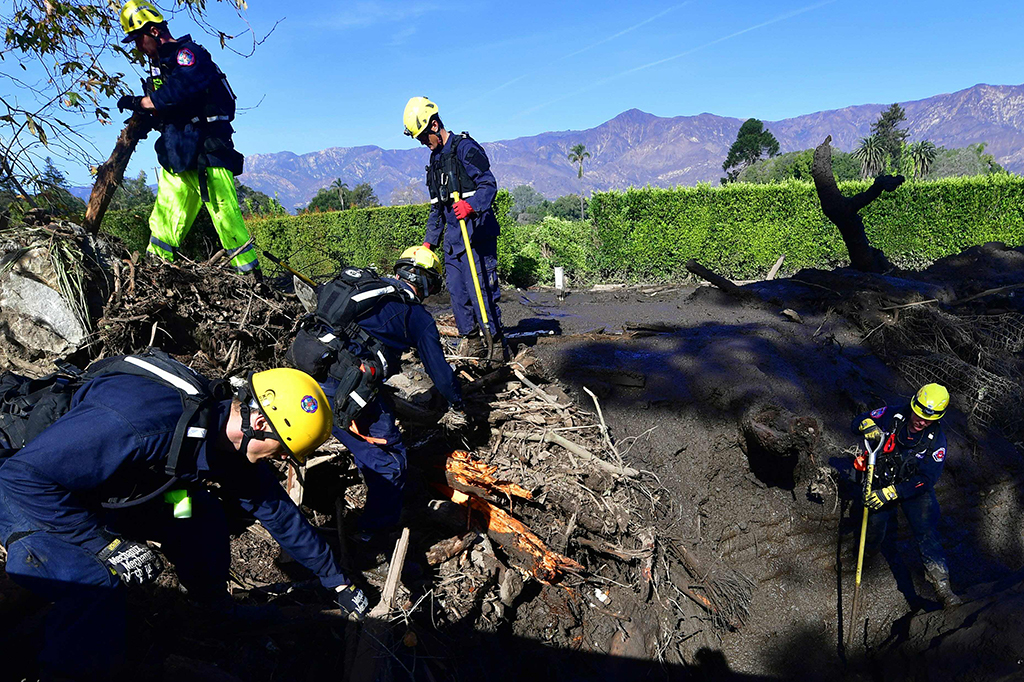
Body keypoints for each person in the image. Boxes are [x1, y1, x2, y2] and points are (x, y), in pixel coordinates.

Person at [0, 358, 368, 680]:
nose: (277, 460)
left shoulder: (217, 433)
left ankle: (213, 608)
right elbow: (22, 478)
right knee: (95, 578)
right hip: (29, 493)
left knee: (195, 511)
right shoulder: (140, 425)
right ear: (259, 422)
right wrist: (106, 545)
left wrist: (336, 581)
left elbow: (276, 511)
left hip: (99, 489)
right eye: (281, 450)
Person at [316, 246, 466, 541]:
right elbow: (440, 373)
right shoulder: (416, 315)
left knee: (372, 435)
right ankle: (374, 537)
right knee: (389, 459)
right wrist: (457, 402)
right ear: (425, 282)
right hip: (344, 391)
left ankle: (391, 488)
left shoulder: (370, 289)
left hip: (313, 374)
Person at [115, 0, 260, 276]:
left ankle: (251, 277)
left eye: (138, 38)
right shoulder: (160, 69)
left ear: (154, 32)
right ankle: (154, 274)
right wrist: (143, 114)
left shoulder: (189, 55)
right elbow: (166, 108)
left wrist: (143, 102)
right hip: (177, 153)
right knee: (163, 221)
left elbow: (178, 93)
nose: (137, 47)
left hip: (209, 151)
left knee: (226, 218)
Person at [402, 96, 505, 359]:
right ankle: (472, 343)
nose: (424, 143)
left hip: (477, 237)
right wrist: (428, 244)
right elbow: (437, 208)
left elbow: (489, 185)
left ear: (435, 125)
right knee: (459, 296)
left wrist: (471, 206)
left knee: (482, 292)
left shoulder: (465, 149)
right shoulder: (435, 162)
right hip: (454, 242)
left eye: (425, 137)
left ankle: (497, 347)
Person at [852, 382, 962, 609]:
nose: (920, 421)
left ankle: (942, 588)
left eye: (927, 419)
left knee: (926, 532)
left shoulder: (937, 442)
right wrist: (866, 424)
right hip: (881, 480)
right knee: (874, 525)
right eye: (918, 414)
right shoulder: (893, 414)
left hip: (913, 489)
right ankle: (867, 556)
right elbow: (859, 420)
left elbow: (927, 479)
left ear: (937, 418)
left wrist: (893, 493)